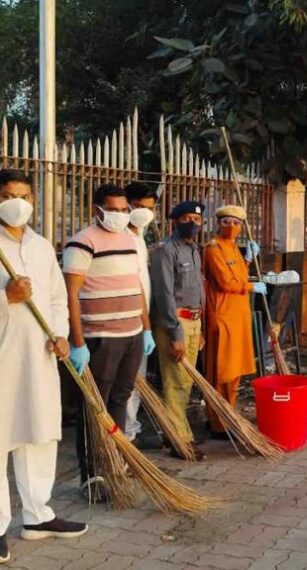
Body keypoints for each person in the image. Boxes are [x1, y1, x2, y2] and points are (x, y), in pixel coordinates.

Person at [0, 170, 87, 564]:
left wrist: (61, 333)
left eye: (23, 194)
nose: (17, 202)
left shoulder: (39, 245)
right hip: (3, 360)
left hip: (39, 356)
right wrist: (6, 297)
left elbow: (55, 297)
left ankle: (37, 516)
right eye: (7, 195)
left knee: (40, 434)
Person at [63, 184, 154, 500]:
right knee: (93, 407)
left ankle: (113, 460)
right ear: (97, 210)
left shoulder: (130, 240)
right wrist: (77, 341)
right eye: (111, 210)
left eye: (122, 210)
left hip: (130, 335)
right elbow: (71, 294)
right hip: (99, 337)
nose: (118, 215)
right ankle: (92, 475)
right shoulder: (82, 242)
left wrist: (146, 328)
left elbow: (137, 286)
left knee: (120, 399)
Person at [149, 201, 206, 460]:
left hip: (193, 321)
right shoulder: (166, 250)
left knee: (186, 382)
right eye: (186, 218)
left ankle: (180, 434)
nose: (192, 223)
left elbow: (197, 290)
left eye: (197, 219)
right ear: (175, 220)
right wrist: (176, 333)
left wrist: (199, 328)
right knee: (175, 383)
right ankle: (179, 440)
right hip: (175, 323)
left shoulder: (194, 250)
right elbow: (165, 294)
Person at [203, 205, 264, 438]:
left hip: (238, 317)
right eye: (227, 221)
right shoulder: (214, 248)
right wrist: (251, 286)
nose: (232, 227)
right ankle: (218, 421)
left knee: (236, 371)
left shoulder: (233, 248)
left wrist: (247, 260)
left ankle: (229, 416)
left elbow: (237, 274)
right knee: (221, 372)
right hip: (222, 317)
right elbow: (225, 283)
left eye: (237, 223)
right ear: (218, 223)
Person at [123, 181, 158, 443]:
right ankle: (123, 435)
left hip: (142, 321)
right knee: (123, 383)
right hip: (124, 320)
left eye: (150, 208)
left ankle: (130, 431)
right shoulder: (122, 237)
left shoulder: (140, 238)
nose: (145, 213)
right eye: (138, 207)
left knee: (136, 380)